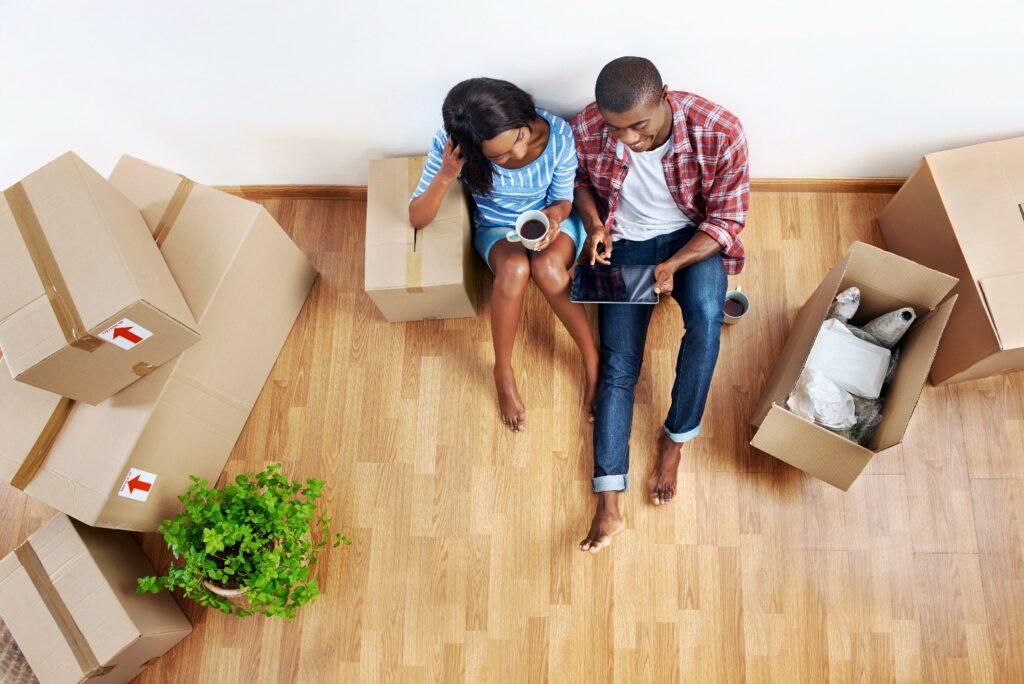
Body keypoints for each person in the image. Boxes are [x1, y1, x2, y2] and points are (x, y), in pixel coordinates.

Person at [572, 57, 750, 552]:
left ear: (665, 97)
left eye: (639, 127)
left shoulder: (720, 129)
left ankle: (674, 441)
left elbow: (725, 221)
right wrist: (595, 226)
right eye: (616, 129)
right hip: (626, 244)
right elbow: (579, 181)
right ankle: (608, 503)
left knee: (709, 320)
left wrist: (673, 265)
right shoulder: (589, 123)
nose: (627, 139)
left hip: (691, 240)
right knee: (619, 366)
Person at [409, 78, 600, 432]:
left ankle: (591, 360)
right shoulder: (451, 148)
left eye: (520, 138)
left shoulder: (557, 135)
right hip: (497, 229)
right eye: (498, 156)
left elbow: (563, 200)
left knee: (547, 269)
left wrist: (555, 219)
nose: (518, 153)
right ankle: (502, 370)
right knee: (514, 269)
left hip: (551, 218)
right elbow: (417, 217)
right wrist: (448, 174)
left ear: (521, 115)